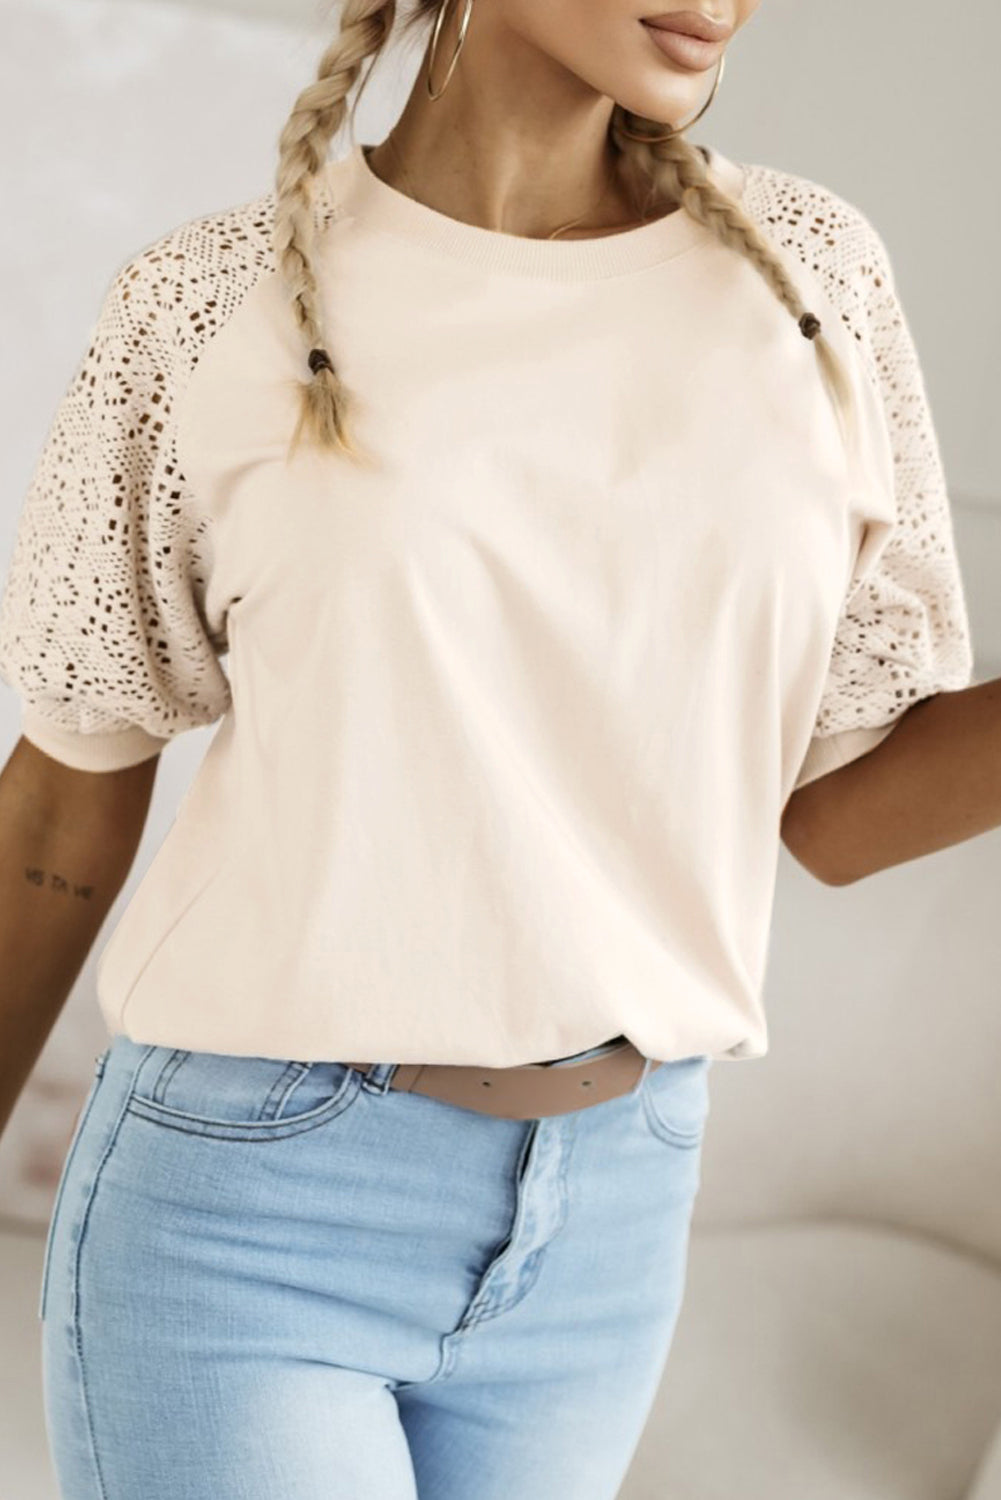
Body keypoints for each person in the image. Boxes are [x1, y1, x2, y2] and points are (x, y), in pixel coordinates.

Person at [0, 0, 992, 1496]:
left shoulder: (810, 283)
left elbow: (837, 811)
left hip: (612, 1219)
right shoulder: (209, 303)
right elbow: (66, 797)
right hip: (244, 1220)